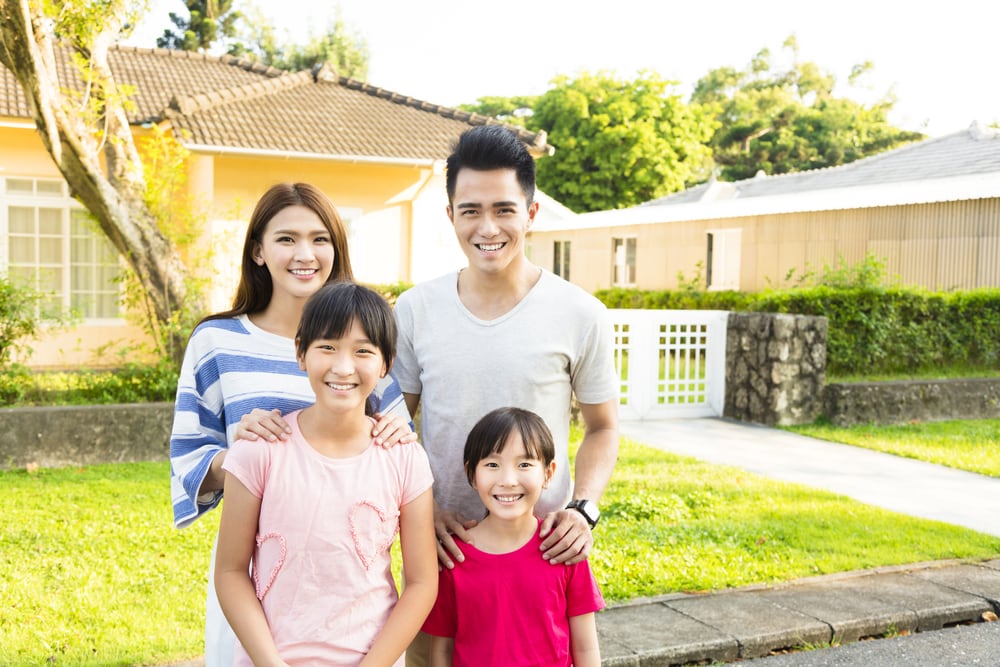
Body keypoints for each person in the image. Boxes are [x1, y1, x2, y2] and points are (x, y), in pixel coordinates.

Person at [393, 125, 620, 665]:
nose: (487, 227)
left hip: (540, 552)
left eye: (504, 209)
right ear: (450, 216)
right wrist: (420, 511)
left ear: (532, 213)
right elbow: (392, 430)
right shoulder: (415, 310)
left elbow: (603, 427)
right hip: (441, 555)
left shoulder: (581, 313)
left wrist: (583, 510)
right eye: (470, 210)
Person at [170, 182, 415, 667]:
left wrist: (393, 432)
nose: (305, 254)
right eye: (286, 239)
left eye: (320, 239)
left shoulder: (366, 340)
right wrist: (239, 451)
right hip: (257, 571)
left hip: (351, 581)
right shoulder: (216, 340)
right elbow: (188, 456)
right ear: (258, 251)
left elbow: (396, 435)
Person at [215, 281, 438, 666]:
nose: (343, 367)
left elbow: (422, 583)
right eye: (327, 347)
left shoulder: (405, 458)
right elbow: (231, 571)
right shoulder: (258, 451)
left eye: (363, 351)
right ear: (301, 352)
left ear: (385, 364)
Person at [422, 407, 603, 667]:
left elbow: (585, 649)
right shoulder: (452, 558)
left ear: (548, 474)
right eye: (492, 465)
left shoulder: (564, 549)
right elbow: (442, 652)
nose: (508, 480)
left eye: (524, 464)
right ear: (472, 474)